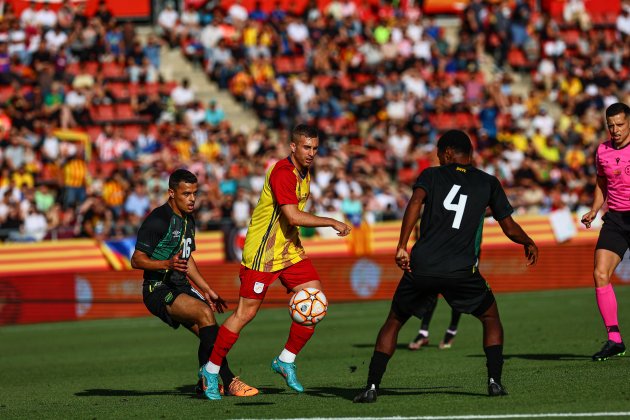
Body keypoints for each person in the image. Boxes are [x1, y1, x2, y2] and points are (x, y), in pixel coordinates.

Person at [353, 130, 538, 403]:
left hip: (422, 267)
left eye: (440, 154)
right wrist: (528, 241)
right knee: (490, 318)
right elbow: (508, 226)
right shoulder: (488, 182)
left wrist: (402, 245)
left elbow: (415, 203)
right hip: (461, 271)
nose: (438, 158)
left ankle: (371, 386)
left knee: (394, 321)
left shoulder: (431, 175)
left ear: (449, 153)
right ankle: (494, 381)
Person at [198, 124, 352, 400]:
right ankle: (210, 370)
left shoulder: (305, 172)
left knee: (315, 301)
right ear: (293, 146)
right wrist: (330, 221)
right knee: (245, 314)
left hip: (289, 251)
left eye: (315, 148)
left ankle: (286, 359)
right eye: (306, 147)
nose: (311, 153)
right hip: (262, 253)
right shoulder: (283, 173)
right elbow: (292, 217)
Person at [131, 169, 258, 398]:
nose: (192, 199)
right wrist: (166, 264)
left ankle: (204, 383)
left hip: (180, 286)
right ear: (171, 193)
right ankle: (227, 380)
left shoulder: (188, 219)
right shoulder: (158, 220)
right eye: (186, 194)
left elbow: (187, 259)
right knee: (204, 314)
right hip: (157, 289)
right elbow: (136, 259)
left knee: (210, 332)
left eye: (195, 194)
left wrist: (207, 289)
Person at [581, 102, 630, 361]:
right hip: (617, 220)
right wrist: (594, 209)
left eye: (620, 124)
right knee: (600, 273)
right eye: (611, 125)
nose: (615, 130)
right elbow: (602, 184)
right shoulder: (602, 151)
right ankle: (614, 340)